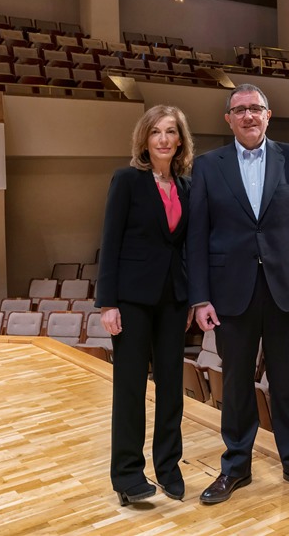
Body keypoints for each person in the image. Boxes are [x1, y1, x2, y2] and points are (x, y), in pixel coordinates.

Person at [188, 83, 289, 503]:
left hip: (286, 289)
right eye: (239, 110)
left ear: (269, 116)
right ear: (227, 119)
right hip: (231, 293)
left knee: (287, 383)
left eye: (255, 109)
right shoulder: (208, 165)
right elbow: (196, 236)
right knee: (234, 385)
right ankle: (235, 467)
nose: (248, 116)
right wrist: (200, 297)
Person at [96, 105, 195, 506]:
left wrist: (191, 295)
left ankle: (169, 468)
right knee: (131, 388)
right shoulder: (127, 180)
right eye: (156, 132)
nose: (164, 139)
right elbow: (111, 240)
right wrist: (107, 303)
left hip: (174, 299)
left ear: (181, 140)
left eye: (171, 132)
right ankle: (127, 475)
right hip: (132, 300)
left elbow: (186, 245)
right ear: (145, 138)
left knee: (172, 389)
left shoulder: (186, 186)